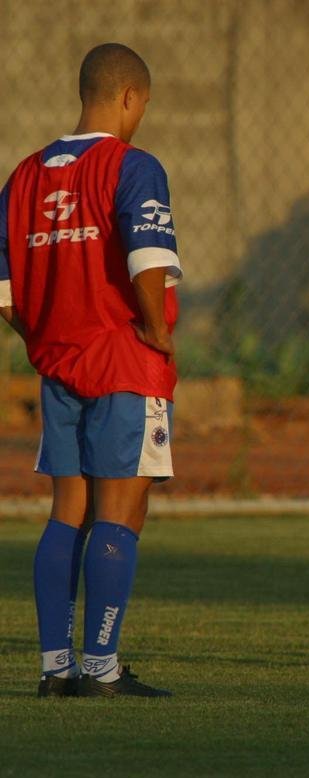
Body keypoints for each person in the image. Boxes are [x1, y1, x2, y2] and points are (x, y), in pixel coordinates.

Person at [0, 43, 182, 697]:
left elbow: (7, 296)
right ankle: (102, 668)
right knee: (119, 510)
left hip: (61, 366)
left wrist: (45, 339)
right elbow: (146, 260)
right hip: (124, 361)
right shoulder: (133, 167)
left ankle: (56, 669)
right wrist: (158, 335)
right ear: (130, 97)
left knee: (65, 510)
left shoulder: (22, 177)